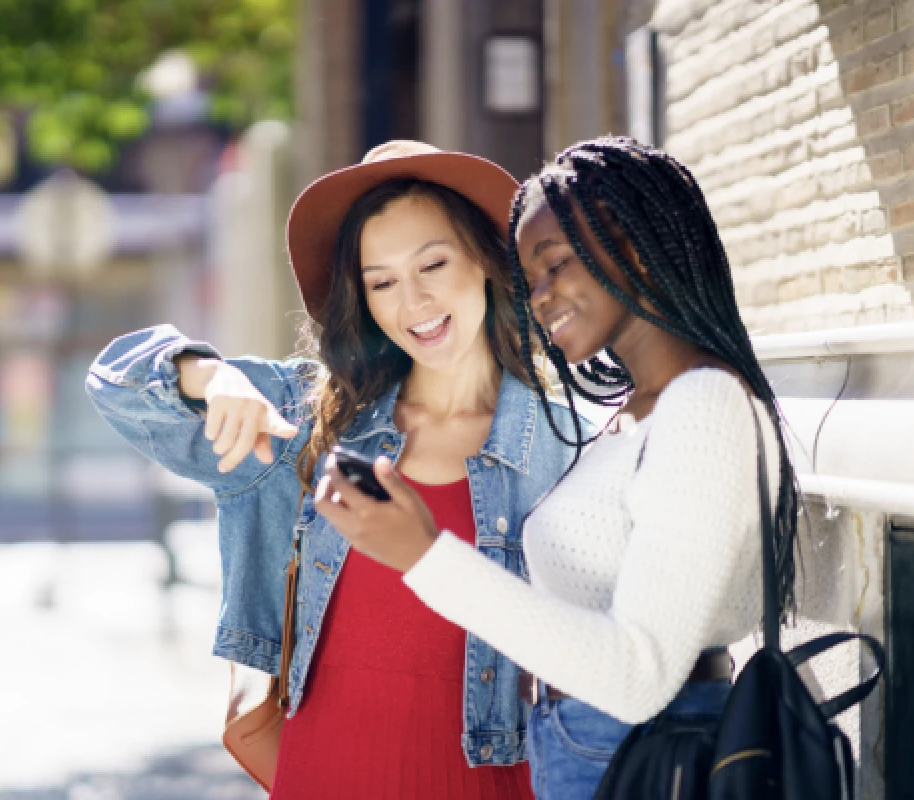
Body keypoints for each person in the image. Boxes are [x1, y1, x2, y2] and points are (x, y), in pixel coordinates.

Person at [86, 140, 584, 799]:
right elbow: (113, 384)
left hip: (493, 782)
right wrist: (210, 376)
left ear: (486, 262)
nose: (413, 301)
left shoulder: (566, 442)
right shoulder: (309, 422)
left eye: (432, 263)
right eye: (381, 282)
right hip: (328, 772)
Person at [315, 136, 799, 800]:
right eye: (530, 278)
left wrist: (424, 554)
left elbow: (638, 675)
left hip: (642, 758)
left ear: (633, 246)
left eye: (556, 264)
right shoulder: (633, 416)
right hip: (583, 747)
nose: (540, 297)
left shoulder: (705, 405)